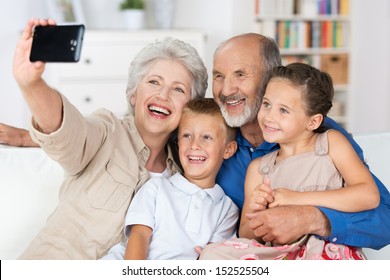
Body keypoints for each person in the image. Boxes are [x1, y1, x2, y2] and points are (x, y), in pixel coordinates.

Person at [13, 18, 208, 259]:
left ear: (190, 108)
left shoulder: (187, 171)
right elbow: (66, 132)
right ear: (133, 94)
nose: (162, 94)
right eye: (153, 82)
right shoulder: (107, 130)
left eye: (178, 89)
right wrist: (31, 84)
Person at [210, 33, 390, 251]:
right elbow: (246, 233)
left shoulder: (323, 135)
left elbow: (384, 219)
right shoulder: (208, 138)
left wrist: (313, 218)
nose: (226, 90)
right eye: (218, 76)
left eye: (240, 74)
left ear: (269, 79)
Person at [101, 98, 239, 260]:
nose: (194, 145)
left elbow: (212, 258)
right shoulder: (157, 187)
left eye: (206, 137)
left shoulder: (227, 210)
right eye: (187, 135)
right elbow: (139, 237)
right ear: (178, 142)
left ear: (228, 149)